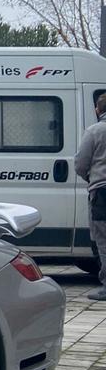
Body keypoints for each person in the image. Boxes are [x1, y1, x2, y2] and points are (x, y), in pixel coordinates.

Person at [75, 92, 106, 301]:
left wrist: (91, 177)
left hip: (102, 192)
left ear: (98, 109)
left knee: (104, 241)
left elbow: (80, 164)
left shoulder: (95, 131)